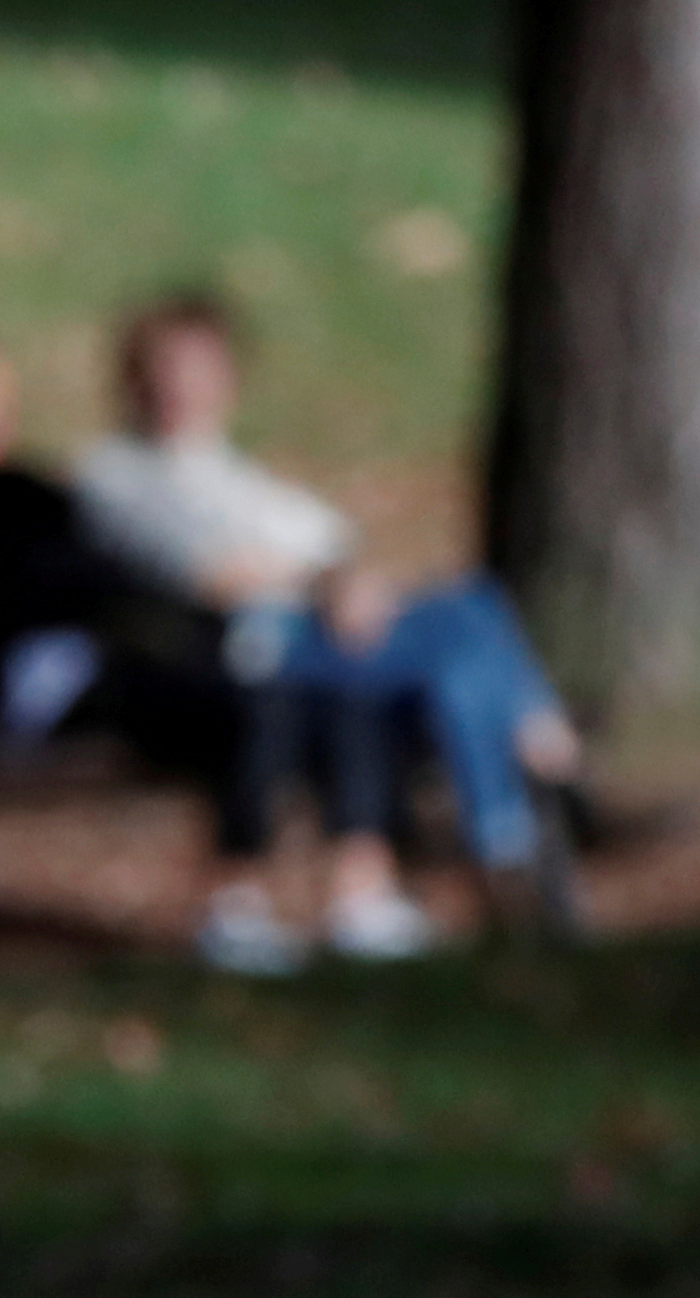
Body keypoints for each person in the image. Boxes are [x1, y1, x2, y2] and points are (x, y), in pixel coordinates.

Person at [73, 290, 586, 965]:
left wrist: (346, 584)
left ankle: (479, 830)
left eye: (200, 367)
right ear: (134, 376)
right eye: (167, 366)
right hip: (227, 652)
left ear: (228, 378)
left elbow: (336, 546)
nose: (182, 385)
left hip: (311, 643)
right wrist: (322, 585)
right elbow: (210, 573)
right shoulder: (116, 474)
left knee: (462, 624)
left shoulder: (236, 478)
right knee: (467, 623)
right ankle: (514, 798)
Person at [0, 320, 369, 976]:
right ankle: (231, 903)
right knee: (235, 698)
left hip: (97, 676)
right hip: (8, 703)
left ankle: (338, 892)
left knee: (274, 688)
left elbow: (108, 579)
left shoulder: (23, 494)